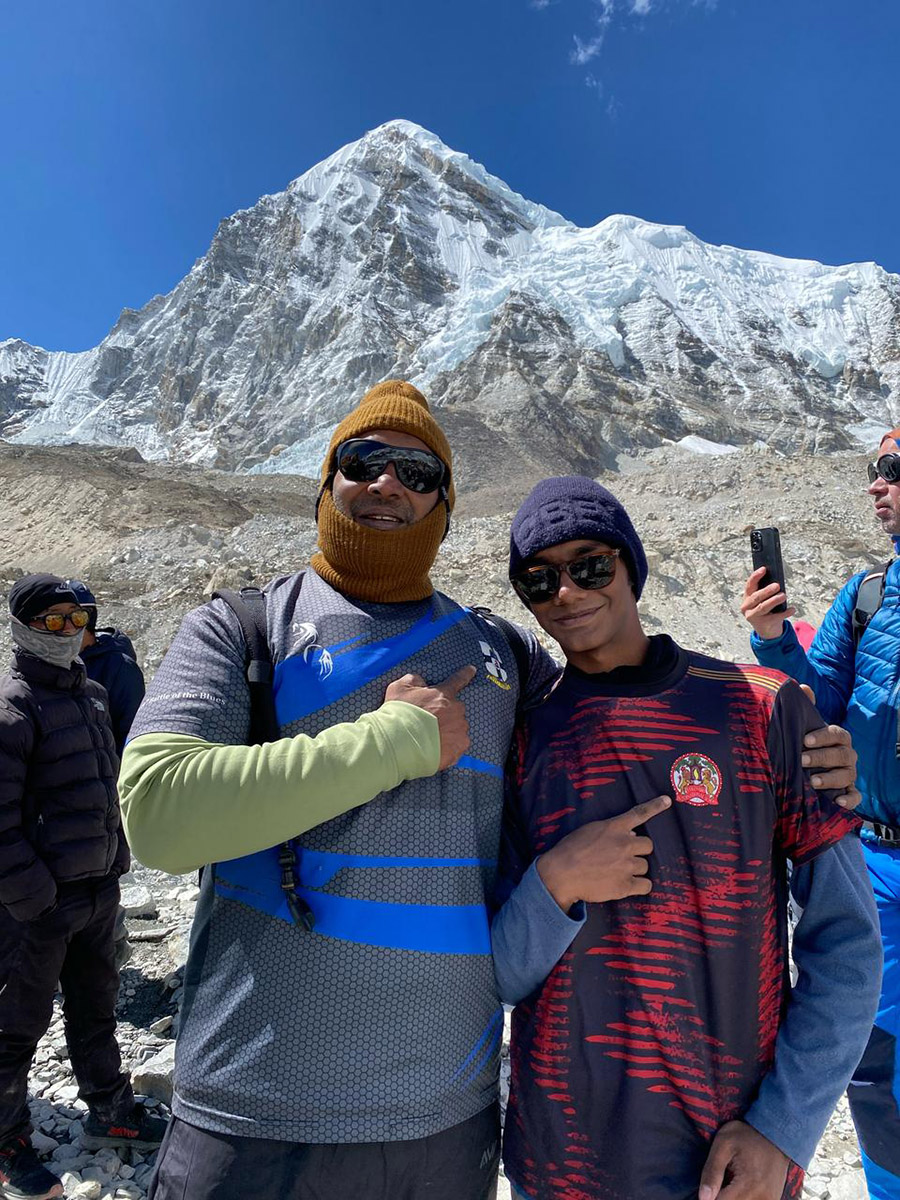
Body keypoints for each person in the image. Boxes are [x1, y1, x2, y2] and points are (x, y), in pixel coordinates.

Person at [119, 381, 861, 1200]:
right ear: (326, 480)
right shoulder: (243, 627)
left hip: (449, 1125)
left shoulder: (507, 663)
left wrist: (817, 744)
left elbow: (624, 697)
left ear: (443, 503)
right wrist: (391, 745)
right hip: (255, 1113)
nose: (387, 483)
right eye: (363, 461)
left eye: (417, 472)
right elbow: (155, 815)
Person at [491, 477, 881, 1200]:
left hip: (729, 1164)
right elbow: (497, 975)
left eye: (590, 566)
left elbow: (849, 942)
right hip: (560, 1164)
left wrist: (783, 1130)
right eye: (539, 580)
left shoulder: (760, 707)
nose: (567, 593)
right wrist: (555, 884)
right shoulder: (522, 739)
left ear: (630, 566)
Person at [742, 429, 900, 1200]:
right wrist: (774, 641)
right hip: (874, 866)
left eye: (892, 470)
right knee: (874, 1066)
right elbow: (818, 703)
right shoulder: (865, 598)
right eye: (875, 470)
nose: (876, 486)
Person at [0, 575, 166, 1200]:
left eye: (78, 619)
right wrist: (34, 898)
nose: (69, 632)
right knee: (15, 1028)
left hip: (97, 892)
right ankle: (7, 1141)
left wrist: (116, 860)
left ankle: (111, 1110)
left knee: (96, 1009)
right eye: (53, 621)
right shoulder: (12, 710)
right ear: (23, 628)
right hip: (37, 907)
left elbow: (106, 788)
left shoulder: (93, 695)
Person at [66, 580, 145, 759]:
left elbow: (132, 733)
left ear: (89, 618)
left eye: (75, 617)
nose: (65, 626)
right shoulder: (54, 662)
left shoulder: (120, 667)